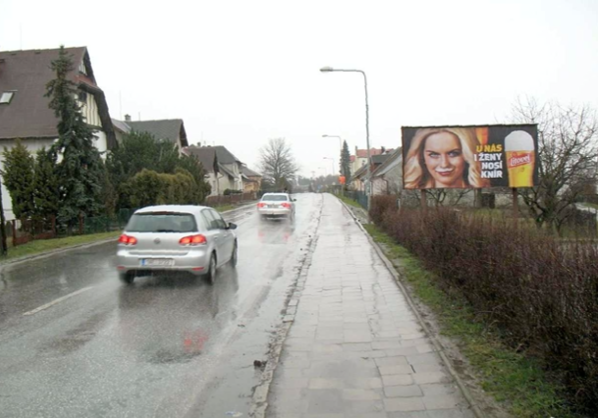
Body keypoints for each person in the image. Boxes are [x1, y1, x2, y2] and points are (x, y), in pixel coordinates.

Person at [403, 127, 490, 189]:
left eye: (453, 154)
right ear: (421, 157)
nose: (444, 164)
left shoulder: (483, 187)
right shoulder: (413, 191)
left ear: (466, 155)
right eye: (434, 155)